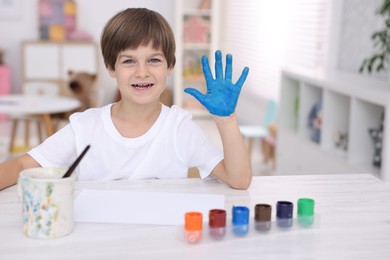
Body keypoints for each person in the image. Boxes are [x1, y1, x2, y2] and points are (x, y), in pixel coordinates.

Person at [0, 8, 252, 190]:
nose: (142, 72)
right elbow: (23, 164)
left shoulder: (179, 127)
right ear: (111, 68)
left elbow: (239, 180)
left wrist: (226, 120)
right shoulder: (85, 126)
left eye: (154, 60)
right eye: (129, 61)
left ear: (170, 66)